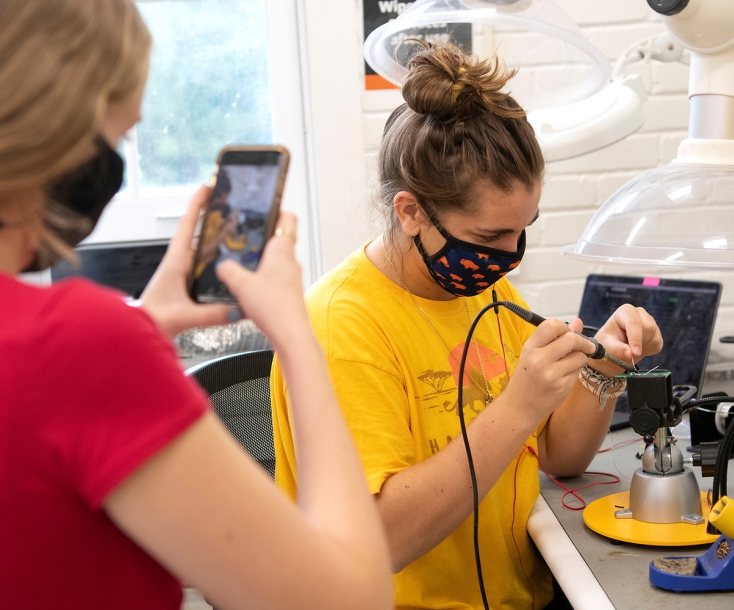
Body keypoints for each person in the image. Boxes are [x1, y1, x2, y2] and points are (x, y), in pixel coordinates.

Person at [0, 1, 391, 609]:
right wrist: (297, 335)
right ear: (48, 137)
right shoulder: (72, 344)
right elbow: (350, 597)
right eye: (112, 142)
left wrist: (145, 322)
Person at [269, 42, 664, 609]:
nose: (511, 257)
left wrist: (604, 366)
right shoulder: (340, 330)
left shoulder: (481, 287)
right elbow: (379, 540)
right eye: (489, 238)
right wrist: (521, 405)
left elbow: (561, 458)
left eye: (522, 228)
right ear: (411, 213)